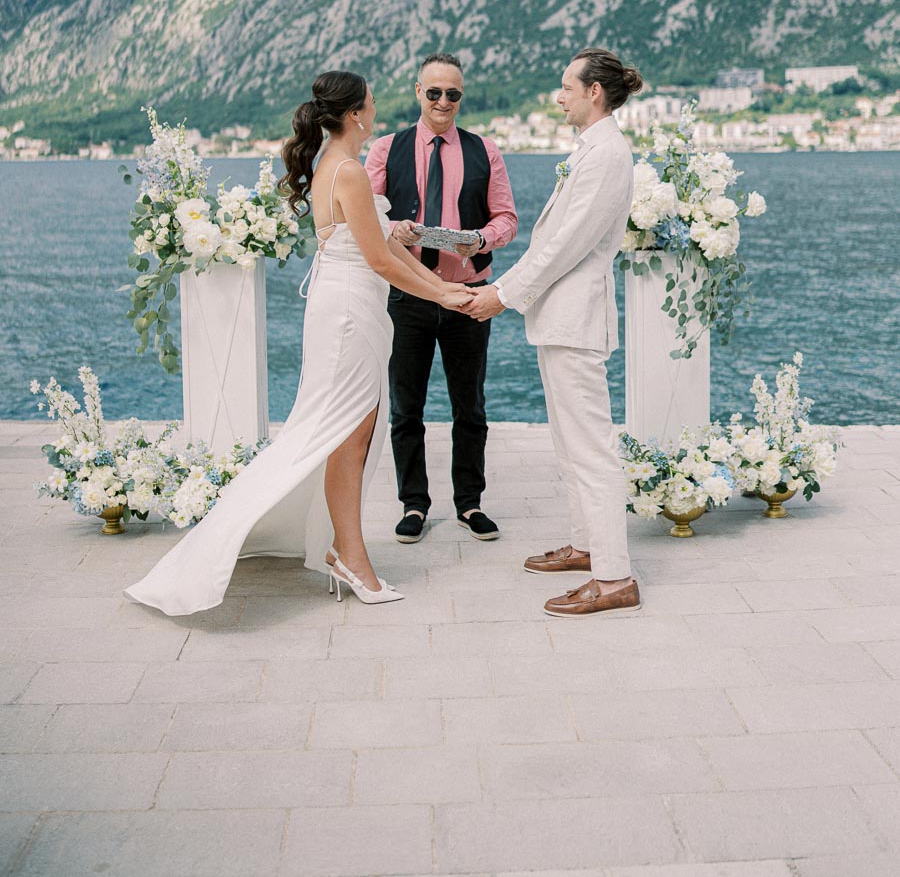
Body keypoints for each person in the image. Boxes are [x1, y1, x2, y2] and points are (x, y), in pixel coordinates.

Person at [124, 71, 472, 616]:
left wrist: (446, 289)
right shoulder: (350, 172)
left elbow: (385, 248)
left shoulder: (337, 167)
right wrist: (444, 298)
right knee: (343, 435)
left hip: (354, 305)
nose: (378, 109)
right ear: (356, 114)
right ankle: (348, 556)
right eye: (372, 103)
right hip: (349, 312)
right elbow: (380, 260)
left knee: (348, 433)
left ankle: (344, 550)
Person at [465, 47, 642, 618]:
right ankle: (586, 544)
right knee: (570, 445)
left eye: (567, 87)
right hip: (561, 319)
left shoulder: (608, 154)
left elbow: (565, 245)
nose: (558, 95)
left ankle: (614, 577)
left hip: (576, 318)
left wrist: (502, 293)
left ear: (595, 92)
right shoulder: (591, 149)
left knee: (591, 449)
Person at [365, 53, 518, 543]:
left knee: (469, 405)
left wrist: (481, 239)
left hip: (470, 294)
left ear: (461, 96)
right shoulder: (387, 150)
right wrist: (395, 228)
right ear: (417, 92)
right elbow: (363, 219)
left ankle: (470, 503)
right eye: (434, 92)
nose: (443, 102)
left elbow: (508, 220)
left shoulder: (485, 151)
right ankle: (413, 504)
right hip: (408, 293)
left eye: (453, 93)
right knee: (405, 407)